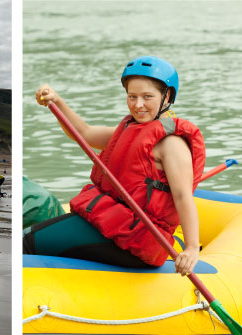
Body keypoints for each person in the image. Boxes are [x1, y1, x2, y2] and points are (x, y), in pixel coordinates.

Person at [25, 56, 204, 275]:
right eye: (132, 96)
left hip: (136, 241)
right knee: (34, 236)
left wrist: (192, 249)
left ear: (166, 96)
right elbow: (83, 133)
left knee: (26, 242)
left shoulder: (172, 145)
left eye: (147, 96)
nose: (138, 105)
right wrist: (56, 101)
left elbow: (183, 197)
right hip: (115, 226)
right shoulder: (131, 129)